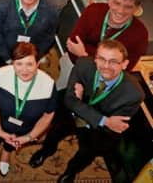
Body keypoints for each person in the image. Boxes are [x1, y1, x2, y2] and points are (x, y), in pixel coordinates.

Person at [33, 42, 145, 183]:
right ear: (95, 58)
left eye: (113, 61)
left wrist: (81, 104)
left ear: (124, 64)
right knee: (54, 133)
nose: (105, 66)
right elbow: (69, 100)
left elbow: (115, 127)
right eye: (101, 59)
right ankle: (45, 152)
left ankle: (70, 172)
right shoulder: (83, 65)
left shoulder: (134, 94)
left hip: (97, 131)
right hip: (74, 116)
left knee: (86, 154)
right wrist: (104, 119)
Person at [0, 43, 56, 177]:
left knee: (13, 140)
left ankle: (6, 153)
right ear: (12, 63)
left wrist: (28, 137)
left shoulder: (48, 85)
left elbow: (48, 115)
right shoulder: (1, 74)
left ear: (38, 63)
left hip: (24, 129)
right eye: (19, 64)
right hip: (0, 121)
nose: (24, 70)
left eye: (29, 64)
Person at [65, 0, 148, 70]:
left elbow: (124, 70)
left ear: (136, 9)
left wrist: (83, 55)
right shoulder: (93, 10)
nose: (120, 10)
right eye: (117, 3)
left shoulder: (140, 35)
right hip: (74, 64)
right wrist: (109, 62)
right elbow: (72, 44)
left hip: (103, 80)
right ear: (109, 0)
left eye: (128, 7)